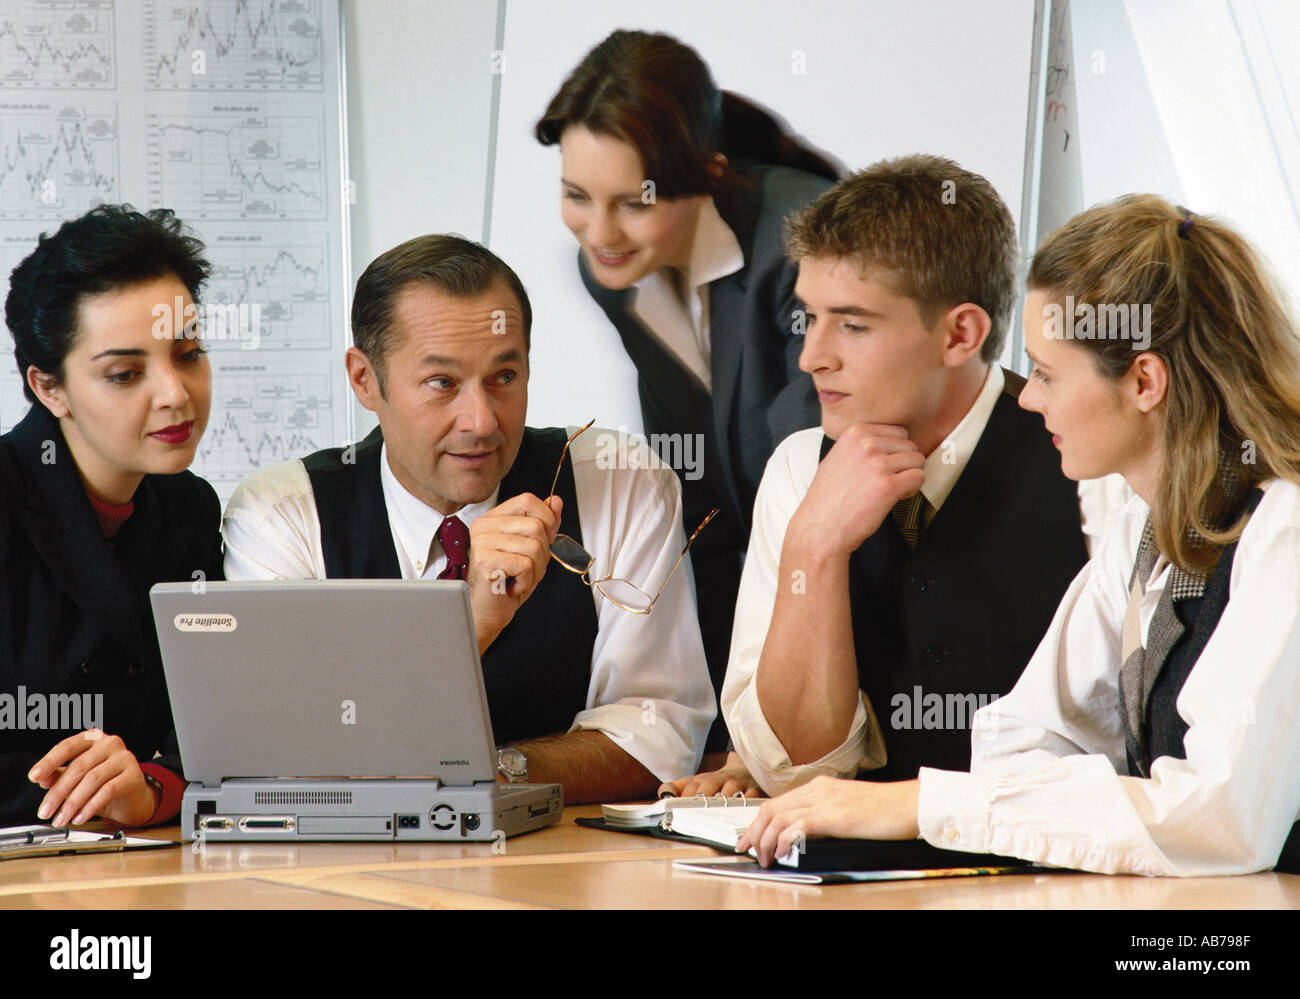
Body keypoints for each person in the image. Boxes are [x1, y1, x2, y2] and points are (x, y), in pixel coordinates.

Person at [739, 195, 1300, 877]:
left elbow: (1216, 817)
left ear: (1145, 381)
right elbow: (1027, 738)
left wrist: (921, 805)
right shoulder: (1143, 531)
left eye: (1046, 372)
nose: (1027, 398)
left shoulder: (1284, 529)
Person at [668, 155, 1122, 799]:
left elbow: (1122, 751)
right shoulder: (800, 468)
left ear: (961, 334)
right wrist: (815, 546)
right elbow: (794, 768)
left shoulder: (1093, 471)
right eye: (810, 317)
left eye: (852, 324)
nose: (811, 357)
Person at [221, 234, 715, 804]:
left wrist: (499, 773)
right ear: (364, 380)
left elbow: (660, 732)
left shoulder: (616, 481)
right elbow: (289, 751)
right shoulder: (285, 514)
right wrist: (474, 619)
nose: (481, 422)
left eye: (504, 377)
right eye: (442, 383)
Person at [535, 30, 840, 744]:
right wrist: (715, 732)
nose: (599, 230)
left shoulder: (796, 242)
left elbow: (812, 486)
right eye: (576, 195)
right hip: (767, 581)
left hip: (858, 581)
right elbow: (700, 502)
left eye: (631, 203)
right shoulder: (611, 271)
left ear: (706, 171)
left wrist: (760, 742)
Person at [1, 204, 224, 828]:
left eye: (188, 354)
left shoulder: (189, 507)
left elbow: (215, 720)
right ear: (50, 388)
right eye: (126, 374)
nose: (176, 394)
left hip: (144, 864)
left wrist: (151, 788)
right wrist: (90, 791)